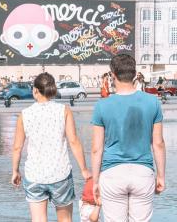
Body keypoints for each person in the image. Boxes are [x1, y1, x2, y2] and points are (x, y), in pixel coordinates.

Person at [91, 54, 166, 222]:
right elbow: (158, 144)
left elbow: (97, 149)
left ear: (112, 75)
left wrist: (95, 181)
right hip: (143, 172)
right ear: (134, 74)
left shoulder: (102, 105)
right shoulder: (152, 102)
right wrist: (161, 175)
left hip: (112, 173)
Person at [11, 72, 91, 222]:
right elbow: (73, 141)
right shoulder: (63, 110)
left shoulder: (25, 114)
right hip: (60, 173)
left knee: (38, 219)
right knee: (65, 219)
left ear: (35, 90)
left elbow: (17, 147)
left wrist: (15, 171)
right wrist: (84, 169)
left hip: (34, 175)